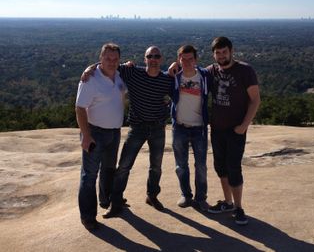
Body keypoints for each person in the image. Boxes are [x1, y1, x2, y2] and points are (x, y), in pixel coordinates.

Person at [82, 46, 174, 218]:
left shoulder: (167, 79)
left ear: (161, 59)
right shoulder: (133, 73)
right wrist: (90, 67)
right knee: (124, 166)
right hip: (137, 128)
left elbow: (182, 89)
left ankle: (152, 195)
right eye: (149, 56)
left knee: (156, 167)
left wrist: (166, 109)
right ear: (144, 58)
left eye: (156, 56)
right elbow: (108, 64)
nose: (153, 59)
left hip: (157, 129)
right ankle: (115, 202)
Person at [206, 37, 260, 225]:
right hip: (217, 129)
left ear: (231, 51)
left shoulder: (245, 71)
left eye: (224, 52)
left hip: (235, 130)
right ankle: (227, 202)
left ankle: (238, 208)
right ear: (214, 54)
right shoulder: (211, 71)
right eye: (218, 53)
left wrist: (244, 126)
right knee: (220, 167)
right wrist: (175, 65)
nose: (221, 56)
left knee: (234, 168)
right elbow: (191, 73)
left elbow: (255, 100)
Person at [75, 43, 126, 230]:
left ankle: (106, 202)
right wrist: (86, 136)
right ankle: (88, 216)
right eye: (107, 58)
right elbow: (80, 108)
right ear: (100, 58)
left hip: (114, 132)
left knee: (108, 170)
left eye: (115, 59)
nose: (111, 62)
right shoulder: (90, 79)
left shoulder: (120, 75)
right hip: (95, 132)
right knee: (89, 175)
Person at [171, 45, 211, 211]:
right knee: (181, 165)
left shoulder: (204, 76)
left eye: (190, 59)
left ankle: (201, 198)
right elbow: (149, 71)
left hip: (199, 128)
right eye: (183, 59)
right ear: (179, 59)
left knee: (201, 166)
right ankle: (185, 195)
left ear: (196, 60)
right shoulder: (173, 77)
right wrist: (92, 68)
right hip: (179, 127)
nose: (187, 62)